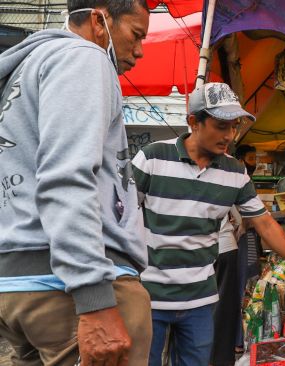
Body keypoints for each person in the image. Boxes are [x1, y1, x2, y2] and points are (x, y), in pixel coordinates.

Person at [132, 82, 285, 366]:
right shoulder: (152, 158)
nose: (229, 135)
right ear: (194, 122)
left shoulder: (235, 171)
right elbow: (121, 218)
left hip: (200, 301)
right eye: (221, 126)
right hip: (148, 297)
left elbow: (264, 223)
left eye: (234, 127)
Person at [0, 1, 151, 364]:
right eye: (136, 34)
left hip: (19, 287)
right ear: (100, 20)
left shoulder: (24, 70)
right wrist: (94, 298)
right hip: (69, 288)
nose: (140, 51)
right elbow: (66, 176)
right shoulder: (83, 57)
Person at [211, 144, 257, 366]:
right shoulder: (233, 170)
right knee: (225, 305)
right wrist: (236, 230)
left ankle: (208, 355)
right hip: (226, 247)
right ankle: (221, 356)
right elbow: (241, 217)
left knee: (205, 304)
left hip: (200, 252)